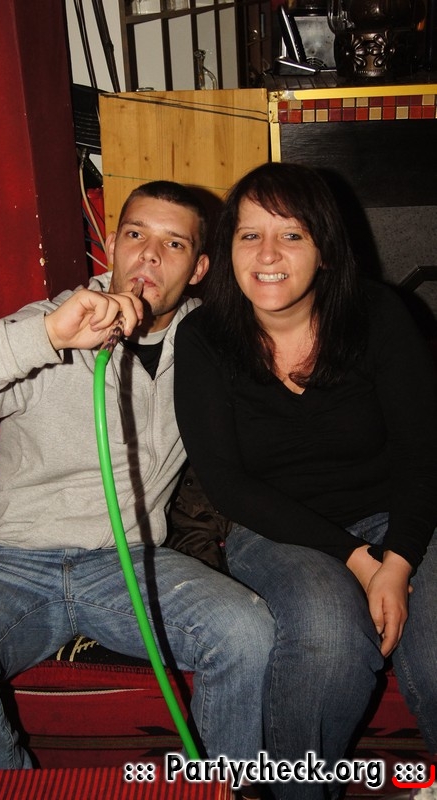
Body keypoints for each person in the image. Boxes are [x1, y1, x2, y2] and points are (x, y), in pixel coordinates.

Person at [0, 180, 276, 772]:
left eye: (173, 244)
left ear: (200, 268)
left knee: (247, 634)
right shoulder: (52, 323)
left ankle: (217, 786)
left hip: (127, 562)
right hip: (12, 559)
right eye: (135, 235)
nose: (148, 255)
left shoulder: (212, 345)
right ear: (111, 244)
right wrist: (48, 336)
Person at [174, 162, 437, 799]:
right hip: (275, 529)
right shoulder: (204, 336)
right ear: (228, 249)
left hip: (399, 515)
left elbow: (424, 452)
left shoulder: (378, 314)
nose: (267, 254)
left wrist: (398, 561)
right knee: (327, 638)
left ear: (325, 249)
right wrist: (358, 559)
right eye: (249, 235)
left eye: (291, 234)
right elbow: (227, 483)